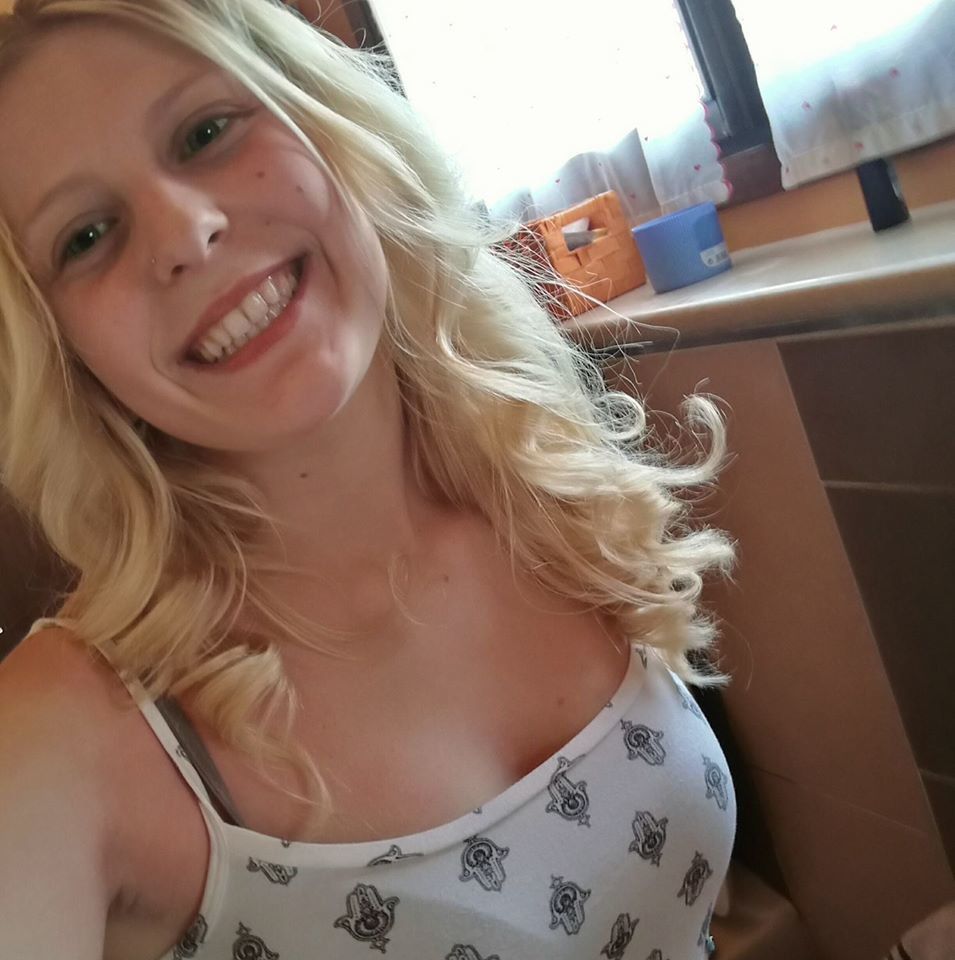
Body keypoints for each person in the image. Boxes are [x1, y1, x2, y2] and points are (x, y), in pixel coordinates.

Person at [0, 2, 739, 958]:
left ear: (329, 126)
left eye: (206, 131)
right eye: (87, 236)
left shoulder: (532, 491)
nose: (187, 232)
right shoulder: (58, 737)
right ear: (61, 352)